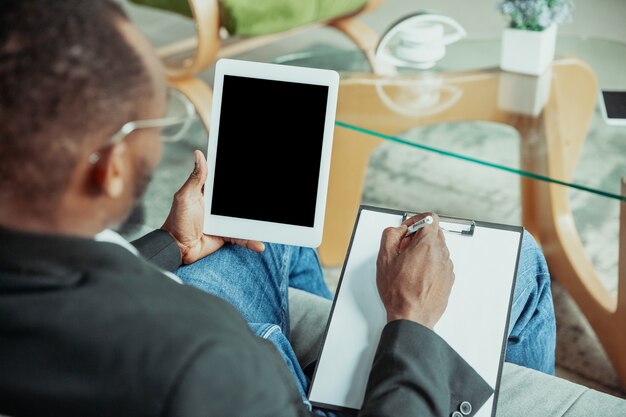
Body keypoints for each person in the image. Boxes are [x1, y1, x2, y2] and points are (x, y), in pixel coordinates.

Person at [0, 1, 624, 417]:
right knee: (518, 261)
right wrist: (412, 321)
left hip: (119, 295)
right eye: (156, 118)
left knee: (271, 228)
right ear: (109, 168)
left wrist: (169, 243)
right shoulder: (201, 359)